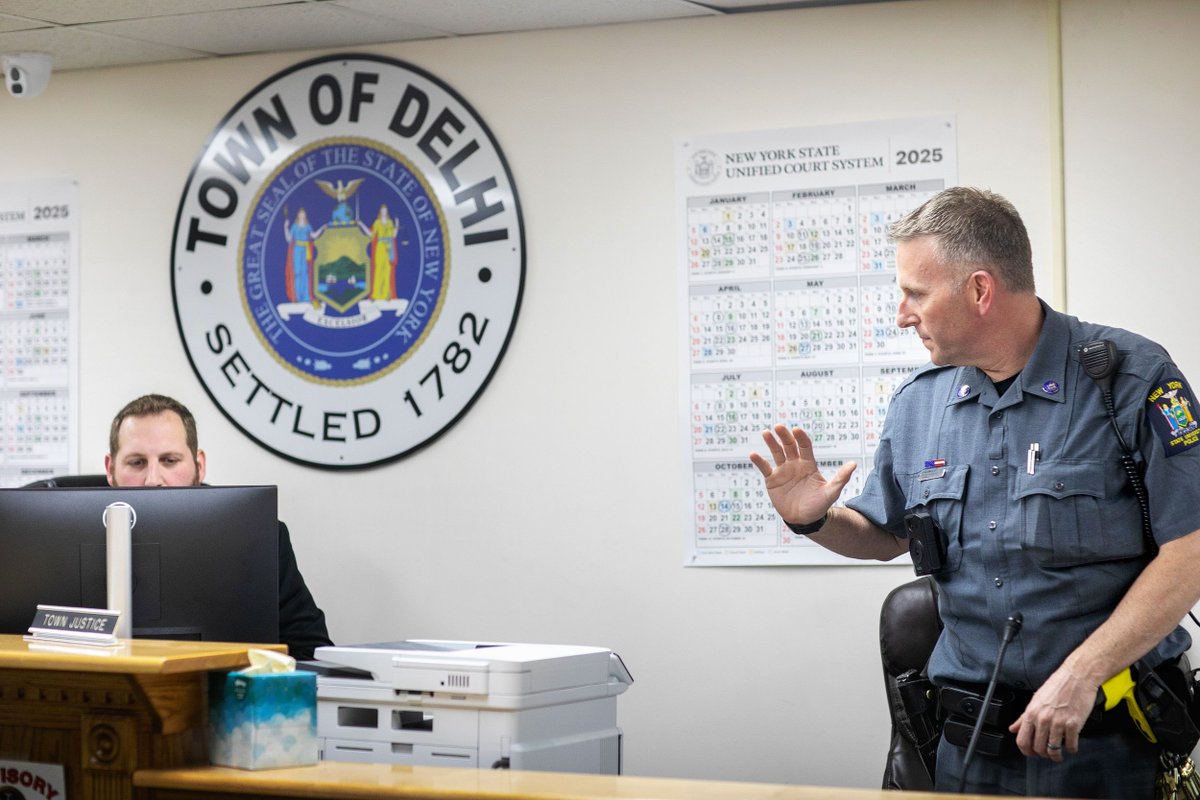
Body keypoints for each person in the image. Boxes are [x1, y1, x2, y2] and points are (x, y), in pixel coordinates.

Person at [749, 187, 1200, 798]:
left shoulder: (1131, 379)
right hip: (969, 748)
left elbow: (1191, 549)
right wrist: (815, 520)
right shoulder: (920, 404)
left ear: (981, 290)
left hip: (1108, 741)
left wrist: (1083, 675)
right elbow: (885, 537)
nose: (902, 314)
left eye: (915, 293)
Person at [105, 394, 333, 660]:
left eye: (169, 460)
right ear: (110, 469)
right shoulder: (57, 543)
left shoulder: (260, 537)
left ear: (199, 466)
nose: (153, 480)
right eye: (137, 462)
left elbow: (311, 650)